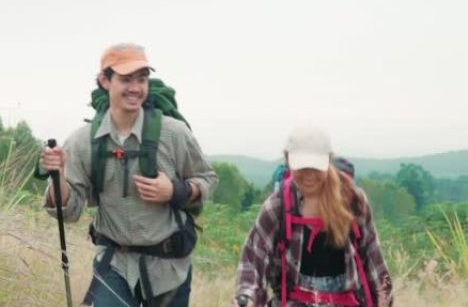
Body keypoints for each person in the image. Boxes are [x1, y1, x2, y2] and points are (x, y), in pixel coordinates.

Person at [39, 43, 218, 307]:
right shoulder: (82, 141)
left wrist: (175, 191)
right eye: (125, 79)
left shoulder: (174, 133)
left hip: (168, 269)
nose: (135, 88)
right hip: (114, 265)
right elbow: (70, 211)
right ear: (104, 80)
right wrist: (58, 176)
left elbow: (207, 179)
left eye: (142, 79)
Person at [233, 126, 393, 307]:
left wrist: (384, 298)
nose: (309, 175)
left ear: (329, 160)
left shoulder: (352, 201)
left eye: (316, 167)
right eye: (302, 167)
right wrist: (247, 297)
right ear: (287, 159)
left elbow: (374, 259)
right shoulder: (277, 207)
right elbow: (253, 260)